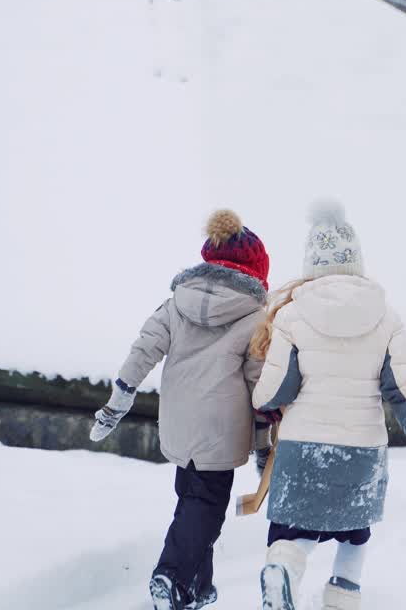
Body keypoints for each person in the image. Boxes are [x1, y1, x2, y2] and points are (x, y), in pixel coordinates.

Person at [249, 201, 406, 610]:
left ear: (311, 262)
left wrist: (264, 406)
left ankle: (283, 570)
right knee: (355, 535)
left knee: (291, 532)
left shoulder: (291, 316)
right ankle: (341, 600)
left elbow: (272, 393)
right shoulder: (387, 318)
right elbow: (405, 391)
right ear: (356, 260)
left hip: (303, 450)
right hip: (361, 453)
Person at [89, 209, 271, 610]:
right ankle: (170, 575)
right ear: (257, 270)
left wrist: (119, 400)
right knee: (206, 508)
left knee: (191, 500)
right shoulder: (256, 317)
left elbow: (143, 350)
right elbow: (260, 387)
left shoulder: (175, 303)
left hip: (178, 422)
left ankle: (196, 589)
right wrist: (264, 445)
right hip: (220, 431)